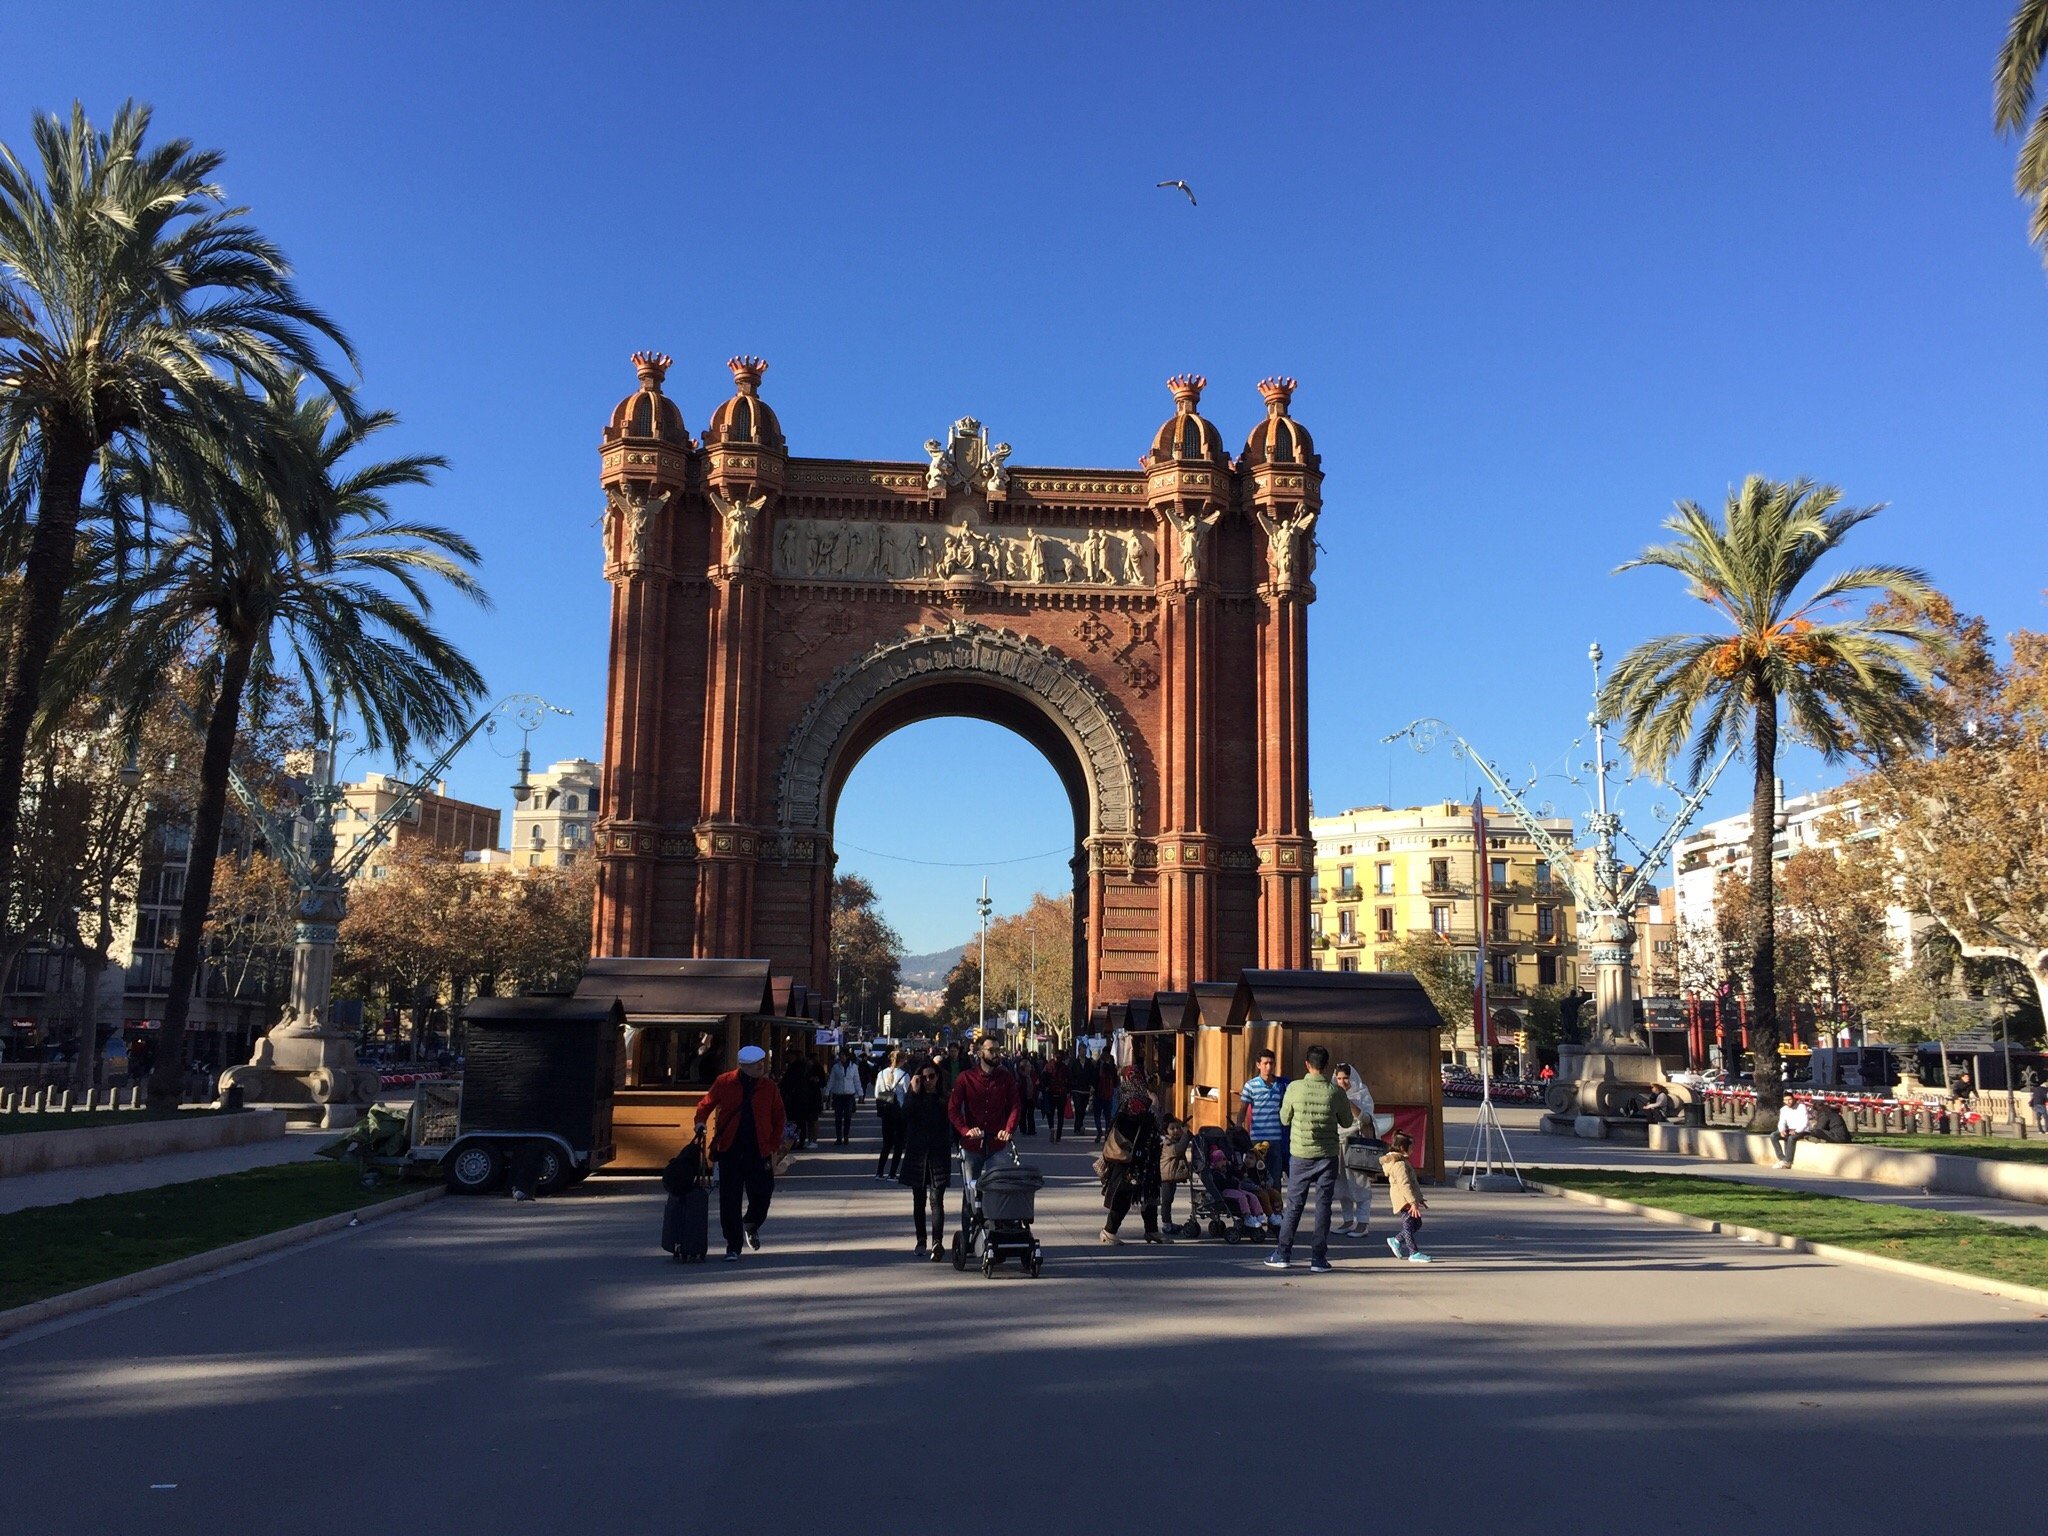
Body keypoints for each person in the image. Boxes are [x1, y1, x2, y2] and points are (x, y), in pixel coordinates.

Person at [1262, 1045, 1355, 1274]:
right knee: (1323, 1206)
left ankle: (1283, 1253)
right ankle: (1318, 1258)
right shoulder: (1336, 1092)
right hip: (1328, 1155)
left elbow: (1284, 1119)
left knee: (1294, 1205)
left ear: (1307, 1064)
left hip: (1301, 1154)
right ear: (1326, 1067)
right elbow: (1345, 1122)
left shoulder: (1294, 1088)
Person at [693, 1044, 787, 1261]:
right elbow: (705, 1105)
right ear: (744, 1066)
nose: (761, 1067)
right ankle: (733, 1245)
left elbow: (779, 1115)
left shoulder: (769, 1087)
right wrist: (700, 1123)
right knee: (729, 1199)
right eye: (756, 1065)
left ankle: (751, 1223)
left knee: (763, 1194)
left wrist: (773, 1144)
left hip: (759, 1150)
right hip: (730, 1150)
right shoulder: (725, 1082)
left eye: (762, 1063)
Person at [947, 1036, 1021, 1226]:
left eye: (998, 1050)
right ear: (980, 1053)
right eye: (991, 1050)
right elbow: (953, 1109)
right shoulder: (965, 1078)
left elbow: (1015, 1105)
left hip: (997, 1143)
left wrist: (1008, 1129)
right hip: (972, 1146)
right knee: (971, 1192)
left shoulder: (1005, 1077)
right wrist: (966, 1130)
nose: (996, 1054)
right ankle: (969, 1233)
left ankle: (996, 1231)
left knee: (998, 1189)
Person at [899, 1061, 954, 1260]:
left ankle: (937, 1242)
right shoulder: (913, 1098)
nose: (929, 1081)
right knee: (918, 1200)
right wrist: (913, 1092)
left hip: (938, 1155)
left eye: (932, 1076)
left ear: (938, 1078)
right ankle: (921, 1239)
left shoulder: (945, 1098)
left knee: (936, 1200)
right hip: (917, 1154)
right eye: (924, 1077)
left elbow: (954, 1123)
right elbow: (903, 1115)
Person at [1098, 1083, 1164, 1244]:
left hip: (1147, 1160)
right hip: (1130, 1162)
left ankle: (1152, 1230)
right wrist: (1153, 1108)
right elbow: (1139, 1124)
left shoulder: (1136, 1104)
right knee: (1124, 1196)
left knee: (1149, 1195)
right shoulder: (1131, 1106)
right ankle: (1109, 1231)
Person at [1331, 1062, 1375, 1237]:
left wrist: (1347, 1101)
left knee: (1360, 1184)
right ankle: (1347, 1220)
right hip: (1337, 1143)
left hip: (1356, 1142)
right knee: (1341, 1184)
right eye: (1339, 1078)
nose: (1342, 1082)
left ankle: (1363, 1223)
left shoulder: (1362, 1094)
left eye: (1346, 1078)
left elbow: (1366, 1118)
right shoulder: (1332, 1094)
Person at [1240, 1048, 1290, 1187]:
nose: (1268, 1067)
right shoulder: (1251, 1085)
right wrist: (1239, 1129)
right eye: (1265, 1063)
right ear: (1258, 1065)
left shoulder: (1281, 1085)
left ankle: (1276, 1207)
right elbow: (1243, 1109)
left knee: (1275, 1176)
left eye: (1271, 1063)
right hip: (1257, 1137)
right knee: (1256, 1175)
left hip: (1276, 1138)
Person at [1381, 1131, 1431, 1263]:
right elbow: (1405, 1184)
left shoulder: (1402, 1162)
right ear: (1403, 1148)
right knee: (1408, 1225)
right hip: (1404, 1199)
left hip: (1409, 1198)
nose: (1413, 1149)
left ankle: (1396, 1240)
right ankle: (1413, 1252)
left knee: (1417, 1223)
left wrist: (1419, 1198)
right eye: (1412, 1147)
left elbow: (1412, 1183)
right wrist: (1412, 1202)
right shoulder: (1399, 1165)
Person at [874, 1049, 910, 1180]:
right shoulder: (904, 1075)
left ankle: (879, 1172)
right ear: (902, 1060)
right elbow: (907, 1094)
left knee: (886, 1144)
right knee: (899, 1144)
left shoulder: (881, 1073)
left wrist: (886, 1097)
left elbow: (877, 1093)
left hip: (886, 1110)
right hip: (899, 1112)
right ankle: (892, 1173)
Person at [1157, 1116, 1193, 1235]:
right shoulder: (1167, 1143)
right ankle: (1166, 1224)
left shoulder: (1174, 1141)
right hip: (1166, 1177)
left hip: (1171, 1176)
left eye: (1178, 1128)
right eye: (1172, 1128)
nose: (1176, 1130)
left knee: (1169, 1199)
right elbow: (1178, 1150)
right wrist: (1186, 1136)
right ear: (1165, 1131)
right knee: (1166, 1201)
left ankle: (1169, 1222)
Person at [825, 1048, 863, 1146]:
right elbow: (831, 1080)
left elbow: (857, 1081)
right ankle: (838, 1137)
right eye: (840, 1055)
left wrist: (860, 1094)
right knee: (838, 1118)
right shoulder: (835, 1067)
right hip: (838, 1095)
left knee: (847, 1117)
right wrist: (826, 1093)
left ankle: (846, 1136)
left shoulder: (853, 1067)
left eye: (843, 1055)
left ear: (847, 1056)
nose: (841, 1057)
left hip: (849, 1095)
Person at [1774, 1097, 1812, 1168]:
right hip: (1789, 1129)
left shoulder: (1801, 1107)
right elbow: (1781, 1122)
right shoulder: (1783, 1109)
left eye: (1790, 1100)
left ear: (1794, 1099)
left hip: (1802, 1130)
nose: (1788, 1102)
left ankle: (1788, 1161)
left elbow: (1804, 1123)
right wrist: (1782, 1130)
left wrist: (1796, 1131)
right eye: (1785, 1100)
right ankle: (1782, 1158)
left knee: (1791, 1138)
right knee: (1773, 1136)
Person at [1043, 1053, 1070, 1141]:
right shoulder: (1065, 1068)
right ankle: (1058, 1136)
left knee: (1050, 1112)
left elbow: (1043, 1078)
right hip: (1062, 1093)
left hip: (1051, 1092)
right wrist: (1068, 1091)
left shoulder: (1049, 1066)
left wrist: (1045, 1087)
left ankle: (1051, 1128)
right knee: (1060, 1115)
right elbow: (1069, 1080)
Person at [1093, 1053, 1117, 1143]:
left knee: (1097, 1115)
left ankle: (1099, 1132)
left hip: (1099, 1095)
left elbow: (1094, 1080)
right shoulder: (1112, 1069)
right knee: (1108, 1117)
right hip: (1109, 1095)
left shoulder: (1099, 1068)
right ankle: (1107, 1133)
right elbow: (1116, 1082)